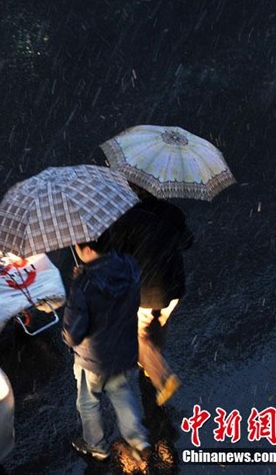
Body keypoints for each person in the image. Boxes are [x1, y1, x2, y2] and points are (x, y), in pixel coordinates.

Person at [104, 184, 194, 408]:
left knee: (137, 336)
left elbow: (114, 254)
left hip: (144, 292)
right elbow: (187, 241)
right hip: (173, 286)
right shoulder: (170, 211)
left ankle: (162, 378)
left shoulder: (126, 219)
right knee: (159, 321)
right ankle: (154, 354)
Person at [63, 240, 151, 463]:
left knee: (88, 402)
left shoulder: (83, 286)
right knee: (121, 391)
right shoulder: (129, 266)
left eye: (77, 246)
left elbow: (73, 333)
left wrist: (80, 282)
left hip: (93, 358)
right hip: (123, 347)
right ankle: (139, 440)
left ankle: (96, 445)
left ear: (88, 250)